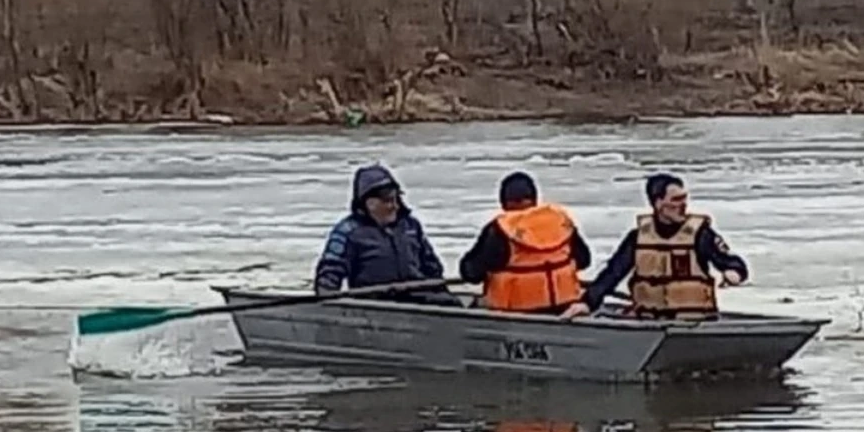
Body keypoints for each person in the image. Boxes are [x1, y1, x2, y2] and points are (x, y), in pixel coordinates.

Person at [561, 173, 748, 320]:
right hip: (649, 321)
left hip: (694, 321)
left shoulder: (700, 234)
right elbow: (613, 274)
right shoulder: (638, 237)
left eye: (684, 198)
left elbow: (731, 262)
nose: (683, 205)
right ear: (658, 203)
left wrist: (734, 272)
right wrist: (587, 303)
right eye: (675, 200)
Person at [313, 164, 459, 306]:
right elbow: (330, 270)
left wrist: (442, 292)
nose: (395, 206)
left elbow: (432, 267)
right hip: (374, 302)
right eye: (388, 201)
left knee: (452, 302)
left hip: (417, 298)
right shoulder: (347, 232)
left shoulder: (411, 226)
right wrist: (326, 297)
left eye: (396, 199)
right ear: (369, 203)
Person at [459, 171, 591, 314]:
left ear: (504, 203)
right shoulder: (560, 222)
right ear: (535, 200)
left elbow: (471, 273)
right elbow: (584, 260)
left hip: (514, 313)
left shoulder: (499, 230)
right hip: (567, 309)